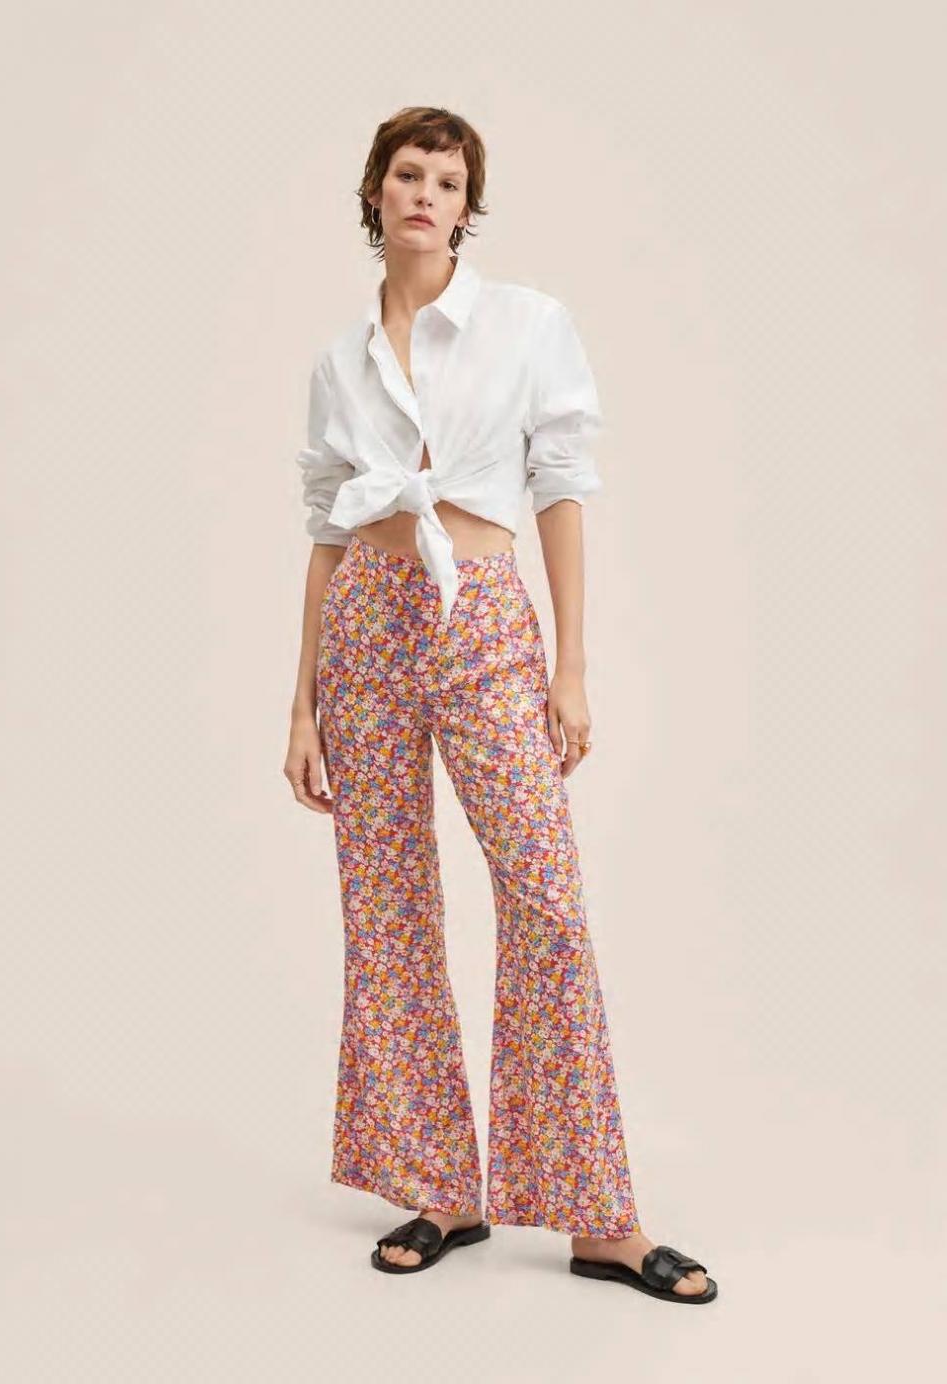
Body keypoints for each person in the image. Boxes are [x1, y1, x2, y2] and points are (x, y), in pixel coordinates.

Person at [284, 106, 716, 1304]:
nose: (426, 193)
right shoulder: (337, 363)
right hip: (364, 628)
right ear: (373, 194)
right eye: (407, 174)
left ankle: (597, 1216)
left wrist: (568, 666)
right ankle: (440, 1187)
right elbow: (325, 533)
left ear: (467, 208)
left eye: (447, 179)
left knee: (544, 899)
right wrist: (301, 703)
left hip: (480, 615)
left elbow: (560, 485)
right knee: (385, 909)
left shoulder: (526, 324)